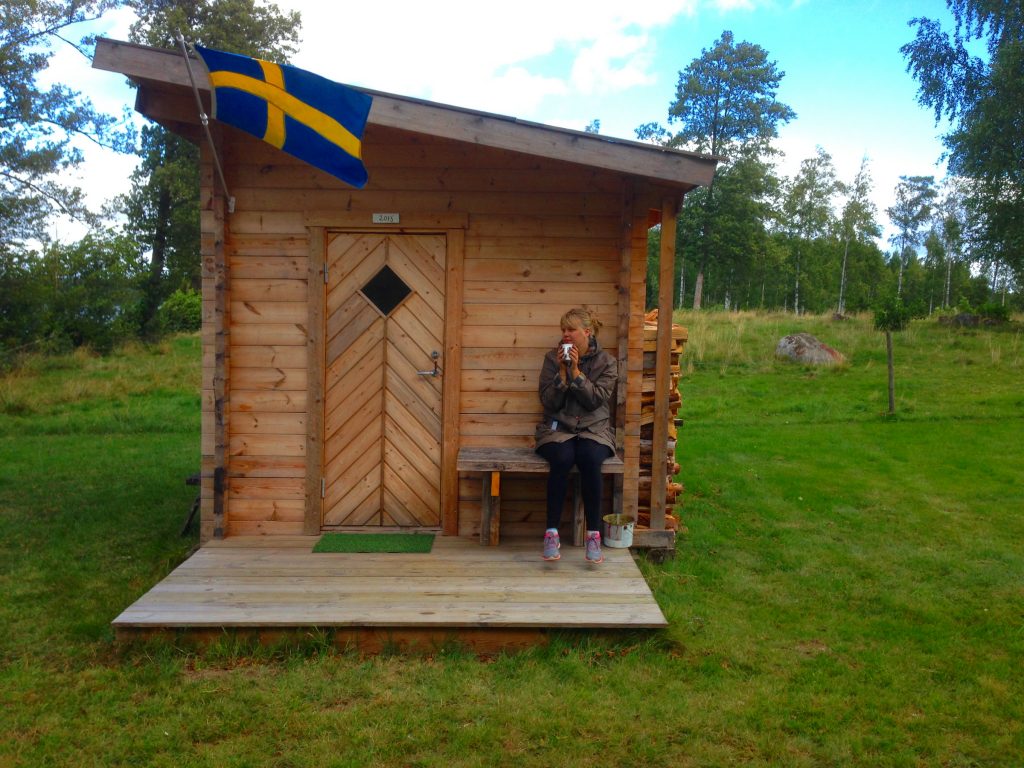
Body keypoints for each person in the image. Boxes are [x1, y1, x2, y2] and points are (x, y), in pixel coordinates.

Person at [535, 307, 618, 564]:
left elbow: (596, 400)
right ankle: (551, 533)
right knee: (561, 458)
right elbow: (548, 402)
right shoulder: (552, 359)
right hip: (559, 428)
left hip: (595, 429)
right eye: (563, 330)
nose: (566, 334)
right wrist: (562, 373)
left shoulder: (607, 362)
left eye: (571, 329)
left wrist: (577, 373)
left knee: (590, 458)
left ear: (587, 332)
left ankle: (593, 535)